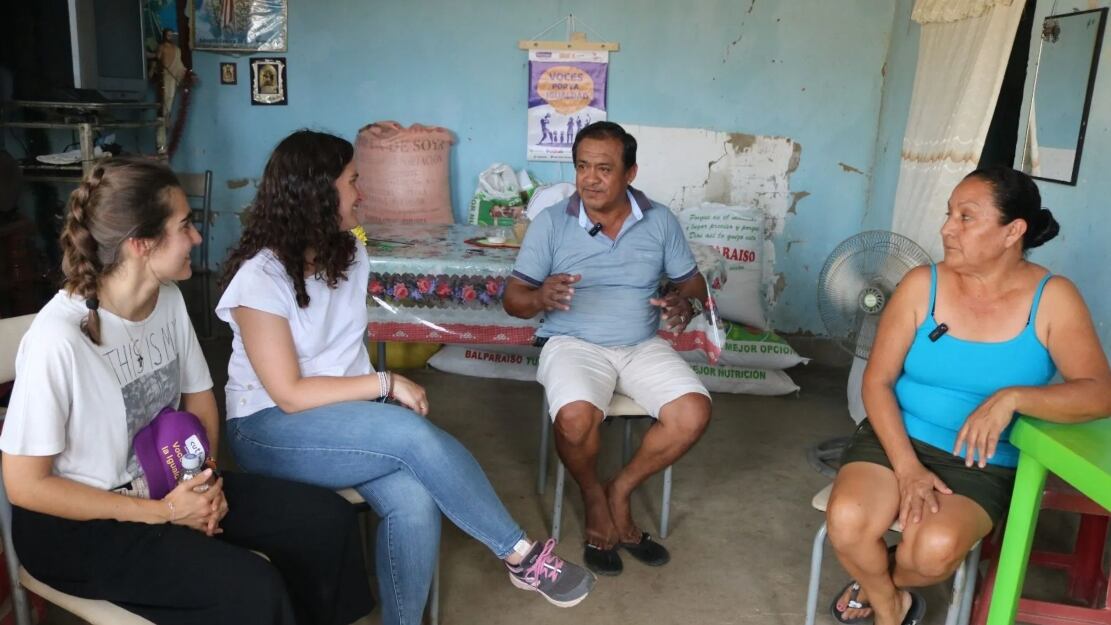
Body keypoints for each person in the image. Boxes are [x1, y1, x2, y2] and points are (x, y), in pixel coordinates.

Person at [217, 130, 595, 625]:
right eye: (352, 181)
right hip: (269, 426)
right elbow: (288, 394)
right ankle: (520, 555)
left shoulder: (348, 253)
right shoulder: (259, 279)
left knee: (415, 500)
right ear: (315, 194)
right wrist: (385, 383)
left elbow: (341, 353)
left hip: (345, 414)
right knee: (410, 435)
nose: (361, 192)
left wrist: (373, 392)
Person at [0, 158, 374, 625]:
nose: (198, 238)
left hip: (169, 484)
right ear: (141, 244)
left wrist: (205, 482)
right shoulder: (58, 340)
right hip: (80, 525)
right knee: (252, 591)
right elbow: (24, 486)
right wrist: (163, 512)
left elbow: (199, 397)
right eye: (186, 226)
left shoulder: (168, 299)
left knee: (326, 521)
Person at [826, 166, 1111, 625]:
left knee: (932, 553)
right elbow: (876, 381)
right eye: (948, 214)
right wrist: (907, 469)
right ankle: (889, 608)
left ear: (1012, 231)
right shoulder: (923, 285)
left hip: (982, 460)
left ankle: (880, 579)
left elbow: (1101, 394)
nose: (946, 228)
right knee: (847, 521)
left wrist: (1013, 398)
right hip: (895, 437)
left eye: (965, 217)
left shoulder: (1053, 298)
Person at [503, 121, 713, 576]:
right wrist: (541, 297)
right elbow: (513, 299)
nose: (590, 179)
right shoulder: (552, 223)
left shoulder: (659, 221)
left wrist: (686, 299)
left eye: (604, 168)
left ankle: (619, 489)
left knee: (693, 412)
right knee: (576, 418)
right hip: (572, 342)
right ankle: (593, 495)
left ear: (630, 173)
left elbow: (691, 282)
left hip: (640, 344)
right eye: (582, 166)